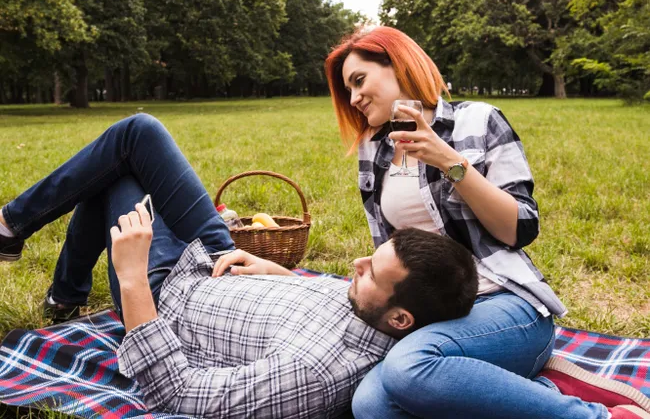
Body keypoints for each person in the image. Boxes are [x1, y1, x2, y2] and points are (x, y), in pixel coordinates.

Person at [0, 113, 479, 418]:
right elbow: (327, 292)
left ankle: (55, 282)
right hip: (218, 257)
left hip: (164, 293)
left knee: (114, 177)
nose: (356, 264)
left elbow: (177, 392)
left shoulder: (313, 373)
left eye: (371, 272)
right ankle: (31, 252)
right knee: (138, 134)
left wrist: (131, 279)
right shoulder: (373, 306)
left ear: (401, 319)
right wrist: (278, 272)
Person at [325, 26, 650, 419]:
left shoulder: (478, 121)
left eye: (359, 80)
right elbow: (385, 252)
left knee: (408, 367)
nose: (354, 98)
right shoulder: (372, 150)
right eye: (348, 90)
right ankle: (540, 390)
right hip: (434, 318)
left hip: (503, 301)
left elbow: (519, 229)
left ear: (398, 65)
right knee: (371, 405)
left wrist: (450, 162)